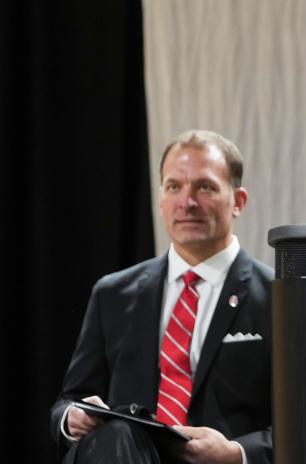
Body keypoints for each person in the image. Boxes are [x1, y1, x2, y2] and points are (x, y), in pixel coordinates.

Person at [50, 130, 273, 463]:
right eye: (174, 187)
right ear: (160, 199)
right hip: (123, 455)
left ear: (238, 201)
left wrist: (236, 453)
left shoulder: (277, 297)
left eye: (205, 187)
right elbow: (71, 399)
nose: (187, 202)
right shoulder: (112, 294)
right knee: (120, 435)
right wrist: (71, 417)